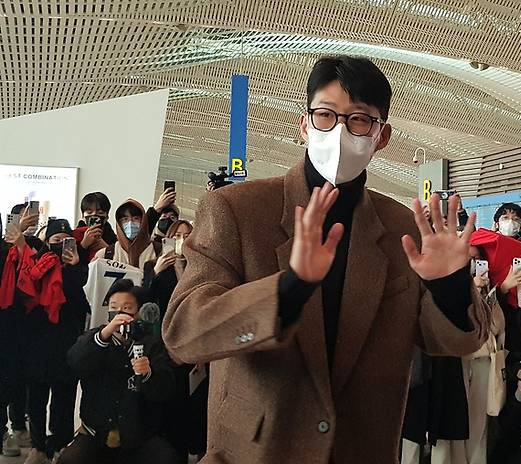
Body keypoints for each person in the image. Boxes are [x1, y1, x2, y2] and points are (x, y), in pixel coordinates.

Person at [162, 55, 488, 463]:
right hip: (256, 451)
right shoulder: (238, 209)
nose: (338, 131)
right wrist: (290, 287)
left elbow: (453, 342)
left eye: (359, 120)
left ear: (381, 136)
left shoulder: (403, 227)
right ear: (304, 124)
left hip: (361, 449)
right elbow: (184, 332)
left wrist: (450, 288)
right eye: (325, 115)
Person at [401, 245, 507, 464]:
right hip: (439, 365)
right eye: (464, 258)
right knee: (426, 428)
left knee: (473, 424)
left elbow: (495, 327)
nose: (469, 263)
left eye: (475, 259)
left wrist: (484, 295)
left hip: (479, 363)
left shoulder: (487, 291)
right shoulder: (431, 284)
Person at [60, 280, 178, 464]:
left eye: (127, 307)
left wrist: (149, 374)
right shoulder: (96, 339)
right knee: (71, 459)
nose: (120, 313)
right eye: (114, 307)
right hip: (95, 434)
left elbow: (166, 390)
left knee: (166, 457)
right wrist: (104, 334)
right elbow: (74, 361)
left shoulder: (151, 344)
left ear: (138, 312)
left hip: (139, 436)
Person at [21, 219, 89, 464]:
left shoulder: (80, 271)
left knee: (64, 399)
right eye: (56, 240)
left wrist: (73, 268)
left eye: (65, 240)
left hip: (66, 346)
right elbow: (27, 298)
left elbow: (80, 304)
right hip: (37, 345)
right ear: (47, 241)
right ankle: (38, 446)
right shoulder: (36, 266)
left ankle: (60, 444)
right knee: (36, 400)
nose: (60, 245)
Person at [143, 220, 208, 463]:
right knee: (165, 403)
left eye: (187, 235)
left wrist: (183, 270)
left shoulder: (201, 269)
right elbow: (146, 307)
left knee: (189, 407)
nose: (182, 239)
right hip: (163, 348)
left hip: (193, 346)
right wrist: (157, 273)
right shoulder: (155, 267)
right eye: (177, 235)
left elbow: (200, 308)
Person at [0, 208, 40, 457]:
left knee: (15, 380)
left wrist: (20, 239)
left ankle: (17, 426)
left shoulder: (27, 244)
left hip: (17, 327)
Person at [94, 199, 159, 270]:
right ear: (119, 224)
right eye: (125, 219)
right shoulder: (105, 255)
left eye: (136, 218)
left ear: (143, 222)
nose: (130, 223)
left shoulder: (159, 252)